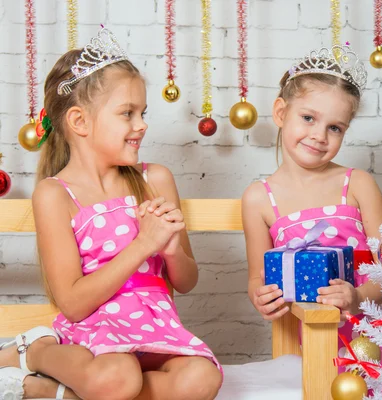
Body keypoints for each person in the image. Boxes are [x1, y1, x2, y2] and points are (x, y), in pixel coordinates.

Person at [0, 27, 222, 400]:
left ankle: (61, 394)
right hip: (93, 332)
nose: (142, 124)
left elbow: (186, 280)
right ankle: (38, 350)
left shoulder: (156, 179)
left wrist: (168, 250)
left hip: (156, 327)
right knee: (118, 376)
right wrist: (141, 245)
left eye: (142, 112)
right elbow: (72, 303)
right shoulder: (55, 194)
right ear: (80, 122)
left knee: (203, 379)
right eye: (127, 114)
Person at [242, 44, 382, 370]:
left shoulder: (357, 185)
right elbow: (257, 277)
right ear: (281, 112)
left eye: (334, 127)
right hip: (313, 339)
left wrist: (355, 296)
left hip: (375, 337)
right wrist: (261, 297)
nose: (319, 135)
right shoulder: (258, 198)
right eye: (308, 118)